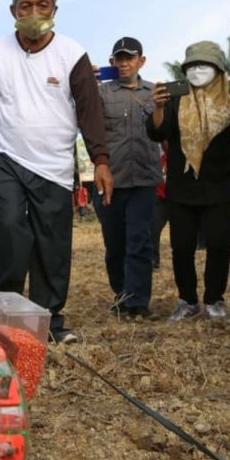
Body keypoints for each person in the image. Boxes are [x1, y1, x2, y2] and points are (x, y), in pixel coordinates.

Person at [0, 0, 113, 344]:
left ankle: (49, 320)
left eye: (41, 5)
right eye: (24, 6)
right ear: (13, 11)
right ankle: (5, 317)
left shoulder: (72, 54)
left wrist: (101, 160)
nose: (33, 13)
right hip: (3, 158)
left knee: (52, 243)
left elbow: (88, 112)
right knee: (7, 229)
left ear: (54, 10)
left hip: (54, 165)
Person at [148, 42, 230, 321]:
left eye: (204, 65)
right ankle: (187, 300)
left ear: (219, 71)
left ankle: (214, 300)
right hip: (181, 188)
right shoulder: (175, 102)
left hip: (220, 187)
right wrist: (158, 107)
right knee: (181, 247)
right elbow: (158, 133)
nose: (197, 71)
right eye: (192, 66)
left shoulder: (229, 102)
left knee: (219, 245)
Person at [96, 37, 161, 318]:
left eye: (129, 58)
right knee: (115, 244)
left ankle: (137, 301)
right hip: (111, 179)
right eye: (118, 59)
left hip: (145, 178)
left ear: (141, 61)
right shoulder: (100, 93)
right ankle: (122, 292)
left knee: (140, 240)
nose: (123, 64)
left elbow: (164, 132)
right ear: (112, 62)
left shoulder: (155, 92)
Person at [151, 146, 168, 270]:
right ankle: (154, 260)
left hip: (177, 198)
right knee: (154, 230)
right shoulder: (158, 159)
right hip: (160, 197)